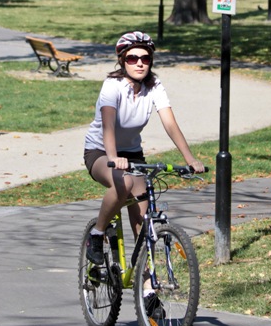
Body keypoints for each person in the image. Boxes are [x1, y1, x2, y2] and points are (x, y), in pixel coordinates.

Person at [83, 31, 205, 267]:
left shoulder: (155, 86)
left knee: (143, 219)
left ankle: (148, 292)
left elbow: (170, 124)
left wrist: (190, 159)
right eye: (132, 58)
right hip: (100, 151)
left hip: (133, 155)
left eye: (145, 58)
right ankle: (97, 235)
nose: (139, 63)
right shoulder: (112, 86)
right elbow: (108, 126)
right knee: (124, 183)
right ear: (122, 61)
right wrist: (113, 157)